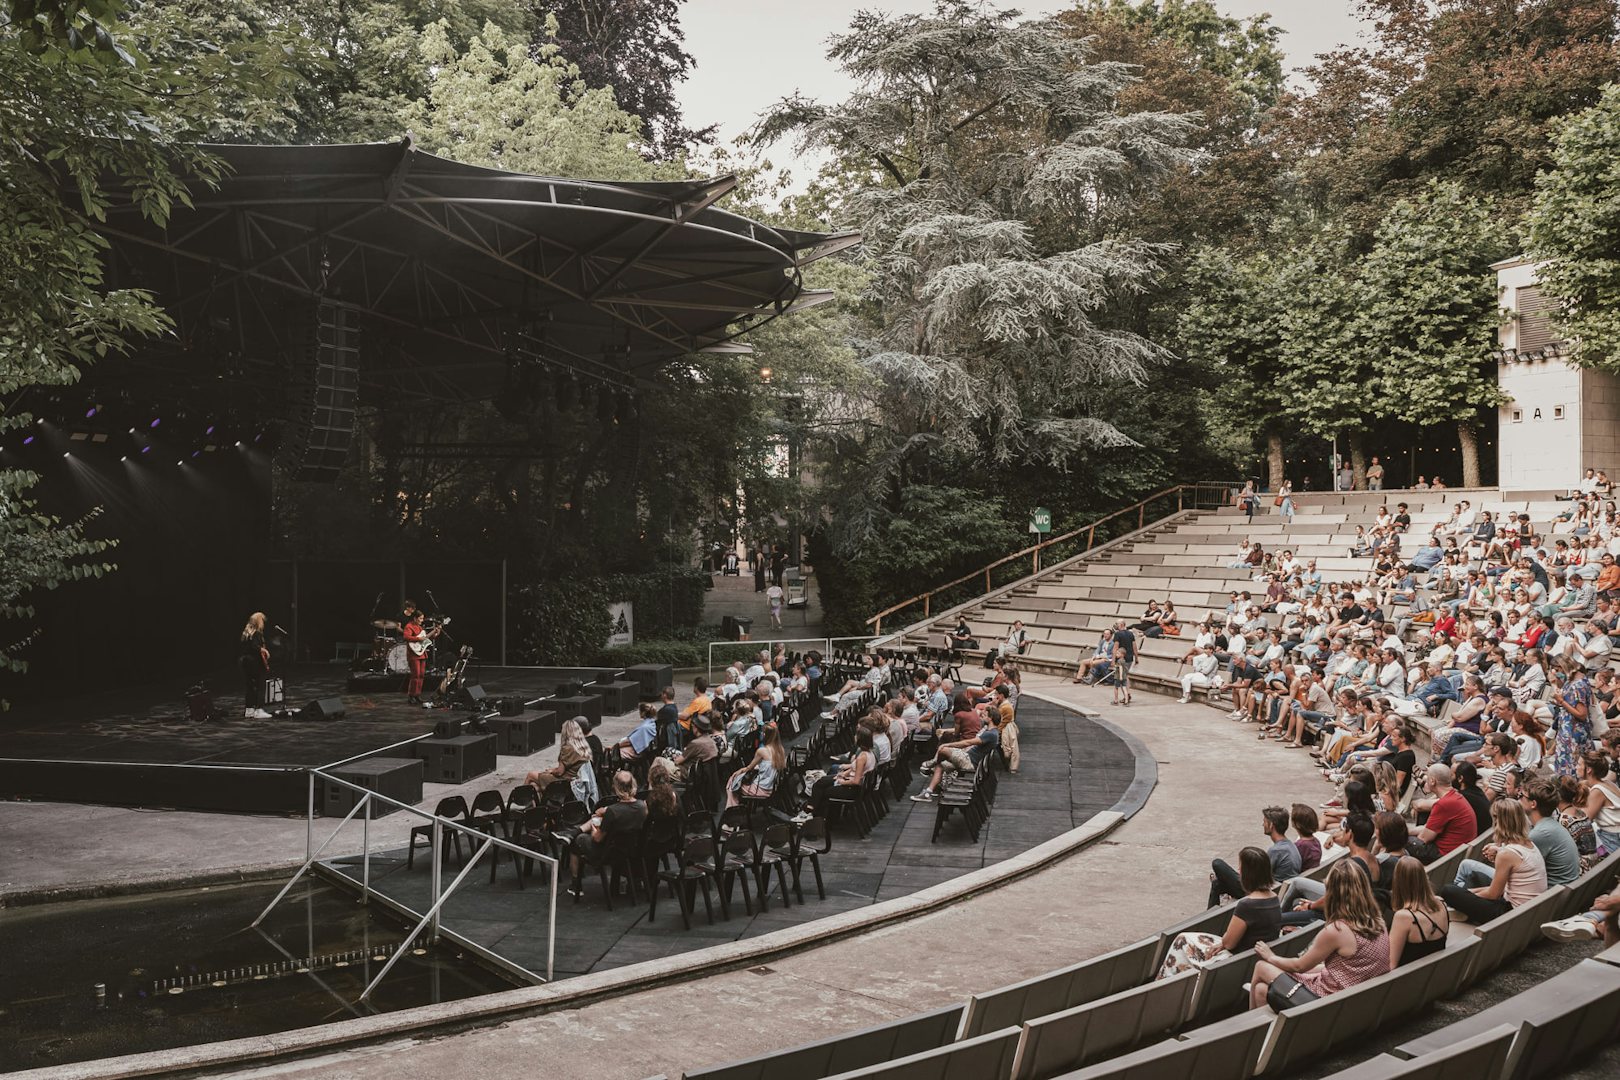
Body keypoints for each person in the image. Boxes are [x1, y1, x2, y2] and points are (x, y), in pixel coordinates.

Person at [1249, 859, 1391, 1009]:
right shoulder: (1378, 921)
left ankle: (1247, 1029)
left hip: (1327, 1003)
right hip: (1356, 1001)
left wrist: (1270, 956)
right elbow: (1349, 968)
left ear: (1332, 893)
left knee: (1261, 966)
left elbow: (1299, 966)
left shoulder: (1337, 930)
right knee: (1261, 991)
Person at [1158, 847, 1281, 979]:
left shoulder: (1247, 905)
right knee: (1187, 940)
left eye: (1241, 868)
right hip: (1252, 958)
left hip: (1233, 962)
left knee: (1181, 940)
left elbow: (1229, 943)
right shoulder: (1274, 897)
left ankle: (1163, 980)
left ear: (1248, 873)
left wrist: (1224, 941)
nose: (1238, 872)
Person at [1440, 799, 1548, 925]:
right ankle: (1460, 907)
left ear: (1499, 822)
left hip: (1509, 915)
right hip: (1524, 910)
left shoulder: (1506, 855)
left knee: (1448, 891)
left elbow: (1493, 894)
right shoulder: (1530, 844)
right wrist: (1467, 894)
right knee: (1466, 883)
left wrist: (1464, 895)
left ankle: (1458, 908)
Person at [568, 771, 645, 895]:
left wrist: (594, 829)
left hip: (608, 852)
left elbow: (597, 838)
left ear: (616, 787)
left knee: (577, 842)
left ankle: (575, 884)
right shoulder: (642, 807)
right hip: (631, 849)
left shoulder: (613, 812)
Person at [1210, 806, 1300, 908]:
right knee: (1217, 883)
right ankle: (1207, 918)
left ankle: (1206, 920)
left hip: (1261, 893)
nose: (1263, 824)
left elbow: (1258, 878)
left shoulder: (1276, 851)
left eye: (1265, 821)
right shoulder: (1291, 846)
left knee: (1217, 864)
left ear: (1271, 825)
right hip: (1275, 890)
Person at [911, 711, 999, 802]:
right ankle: (928, 792)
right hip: (968, 758)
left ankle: (930, 764)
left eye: (985, 715)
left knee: (943, 750)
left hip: (969, 761)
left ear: (990, 718)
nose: (982, 717)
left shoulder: (991, 734)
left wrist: (948, 745)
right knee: (941, 765)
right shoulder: (991, 732)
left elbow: (968, 742)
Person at [1387, 856, 1449, 967]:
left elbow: (1391, 965)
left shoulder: (1404, 917)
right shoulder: (1441, 903)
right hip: (1434, 972)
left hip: (1409, 979)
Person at [1522, 776, 1582, 887]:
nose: (1519, 799)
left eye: (1522, 796)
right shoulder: (1551, 825)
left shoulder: (1540, 833)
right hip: (1559, 894)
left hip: (1550, 898)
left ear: (1533, 804)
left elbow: (1519, 869)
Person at [1412, 764, 1478, 857]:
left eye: (1427, 778)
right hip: (1458, 852)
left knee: (1402, 842)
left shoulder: (1444, 804)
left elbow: (1423, 838)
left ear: (1432, 781)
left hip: (1447, 856)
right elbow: (1427, 828)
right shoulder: (1455, 795)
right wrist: (1407, 831)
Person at [526, 716, 593, 794]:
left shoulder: (567, 748)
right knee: (534, 786)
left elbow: (559, 772)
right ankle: (534, 802)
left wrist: (552, 771)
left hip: (565, 781)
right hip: (577, 781)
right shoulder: (584, 747)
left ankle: (521, 800)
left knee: (531, 775)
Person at [726, 722, 784, 808]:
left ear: (765, 735)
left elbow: (749, 768)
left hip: (761, 788)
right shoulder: (780, 750)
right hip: (771, 786)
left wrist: (739, 771)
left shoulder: (762, 751)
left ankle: (731, 809)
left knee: (732, 782)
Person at [239, 611, 272, 719]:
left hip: (245, 661)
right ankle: (259, 709)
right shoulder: (257, 633)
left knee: (250, 686)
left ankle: (249, 709)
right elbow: (255, 646)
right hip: (255, 662)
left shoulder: (246, 634)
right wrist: (264, 650)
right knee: (260, 685)